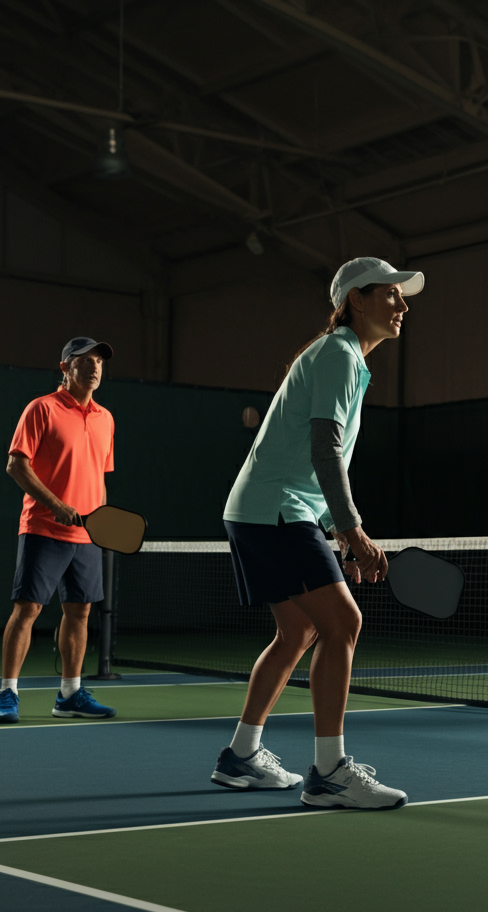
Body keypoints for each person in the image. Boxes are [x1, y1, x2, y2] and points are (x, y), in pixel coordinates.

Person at [211, 256, 424, 809]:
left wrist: (335, 528)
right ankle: (329, 773)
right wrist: (353, 533)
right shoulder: (337, 353)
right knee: (344, 622)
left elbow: (320, 464)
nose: (402, 304)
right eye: (391, 294)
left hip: (269, 508)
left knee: (299, 632)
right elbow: (323, 450)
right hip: (274, 509)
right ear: (357, 299)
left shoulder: (345, 358)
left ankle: (241, 757)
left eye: (404, 296)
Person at [0, 338, 118, 724]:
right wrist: (56, 505)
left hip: (86, 536)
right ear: (64, 367)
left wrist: (102, 522)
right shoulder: (41, 408)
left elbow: (97, 476)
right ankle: (7, 694)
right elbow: (16, 465)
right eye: (85, 361)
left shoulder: (105, 418)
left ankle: (70, 694)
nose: (94, 367)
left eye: (99, 361)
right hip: (43, 528)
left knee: (79, 613)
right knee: (27, 609)